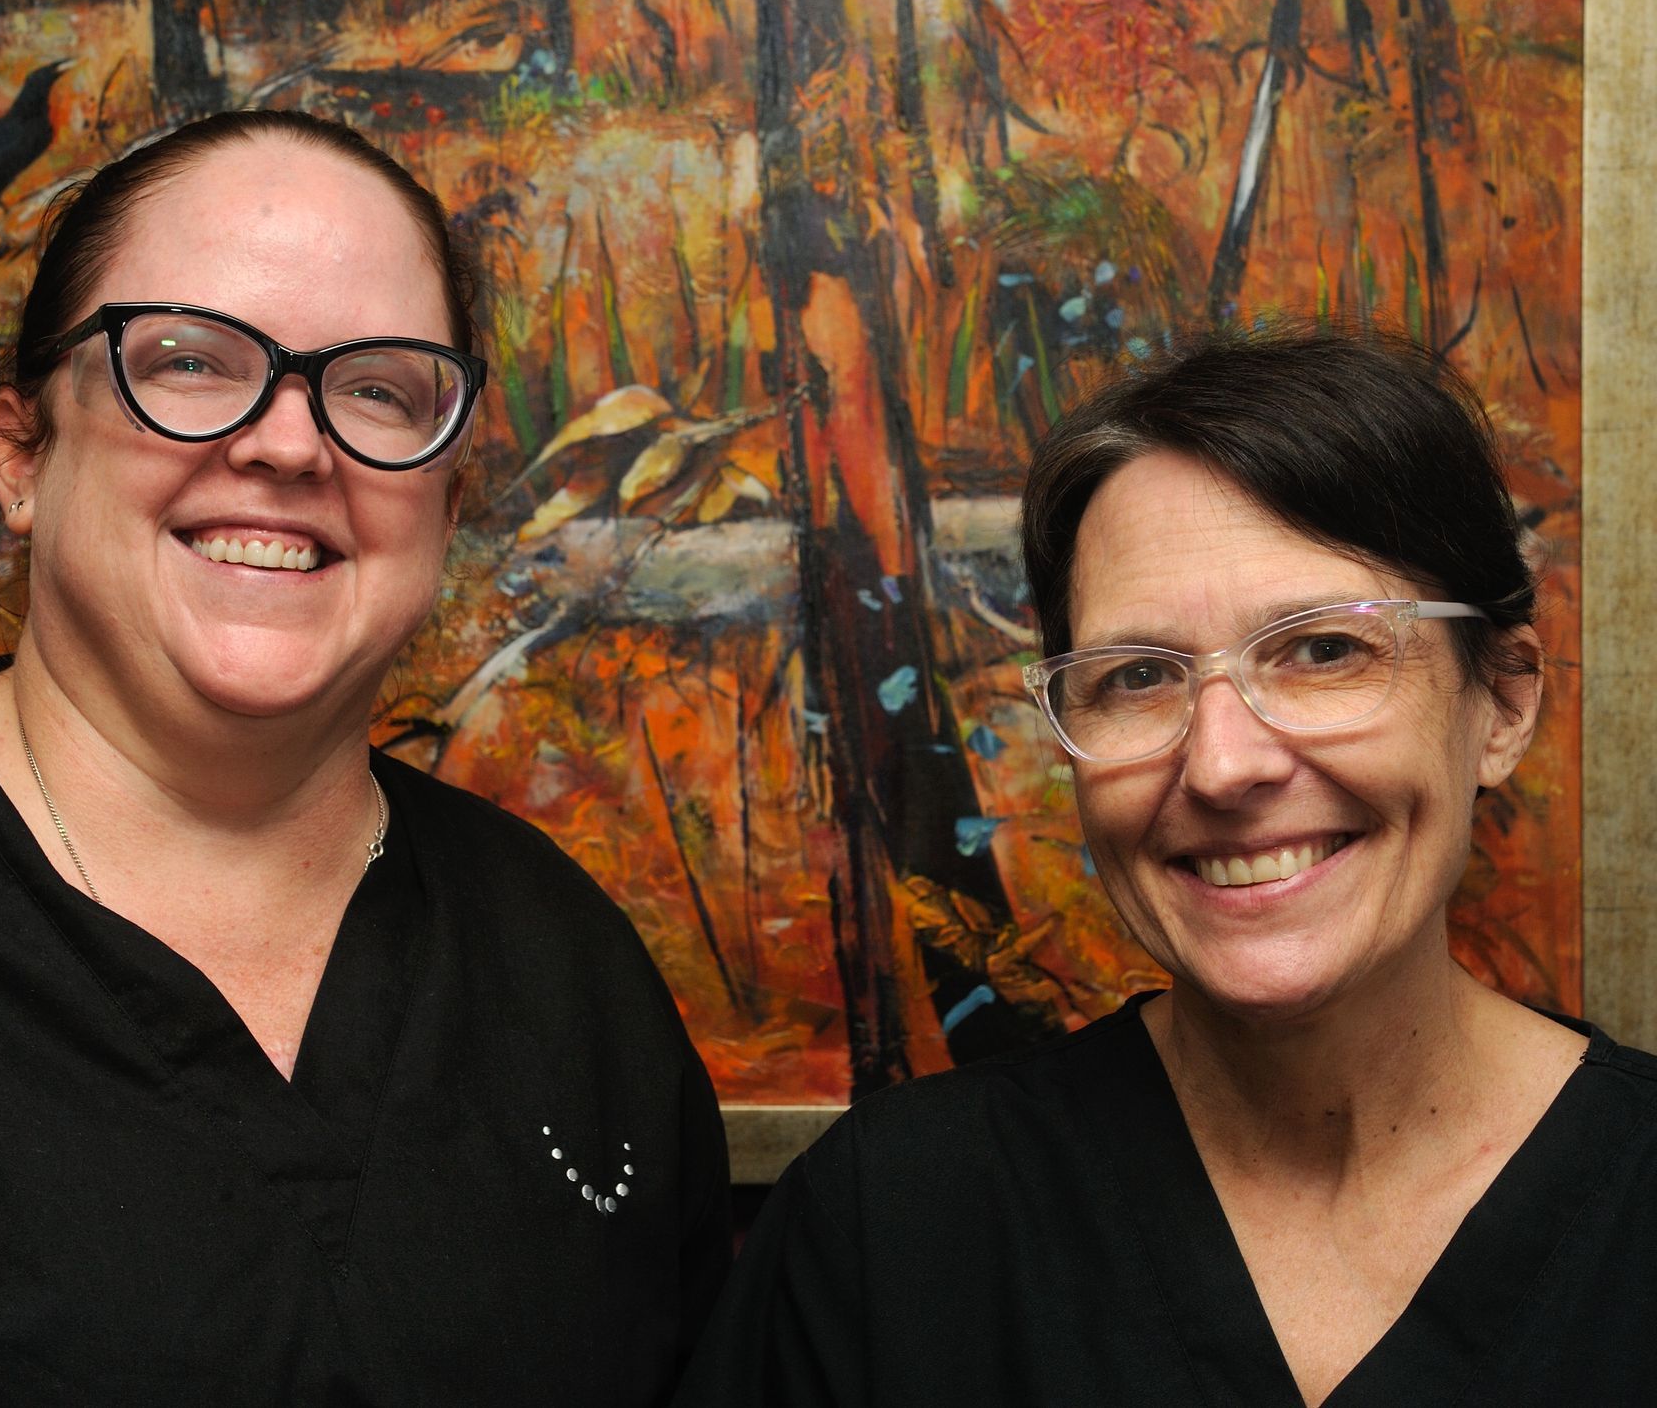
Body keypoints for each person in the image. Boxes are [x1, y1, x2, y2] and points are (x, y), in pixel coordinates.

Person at [0, 110, 729, 1405]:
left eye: (378, 385)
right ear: (19, 452)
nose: (287, 441)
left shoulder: (568, 967)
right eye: (193, 360)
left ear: (444, 495)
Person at [671, 326, 1657, 1407]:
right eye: (1138, 674)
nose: (1224, 763)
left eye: (1325, 648)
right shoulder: (890, 1230)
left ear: (1504, 702)